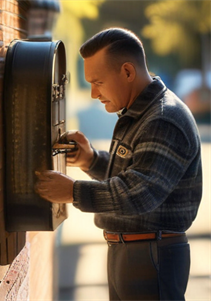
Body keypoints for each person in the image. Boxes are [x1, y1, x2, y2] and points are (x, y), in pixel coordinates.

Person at [35, 27, 202, 301]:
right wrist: (90, 160)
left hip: (151, 254)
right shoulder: (141, 113)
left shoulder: (162, 118)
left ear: (127, 72)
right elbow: (135, 173)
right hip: (135, 251)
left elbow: (139, 193)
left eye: (98, 82)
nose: (92, 94)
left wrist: (72, 192)